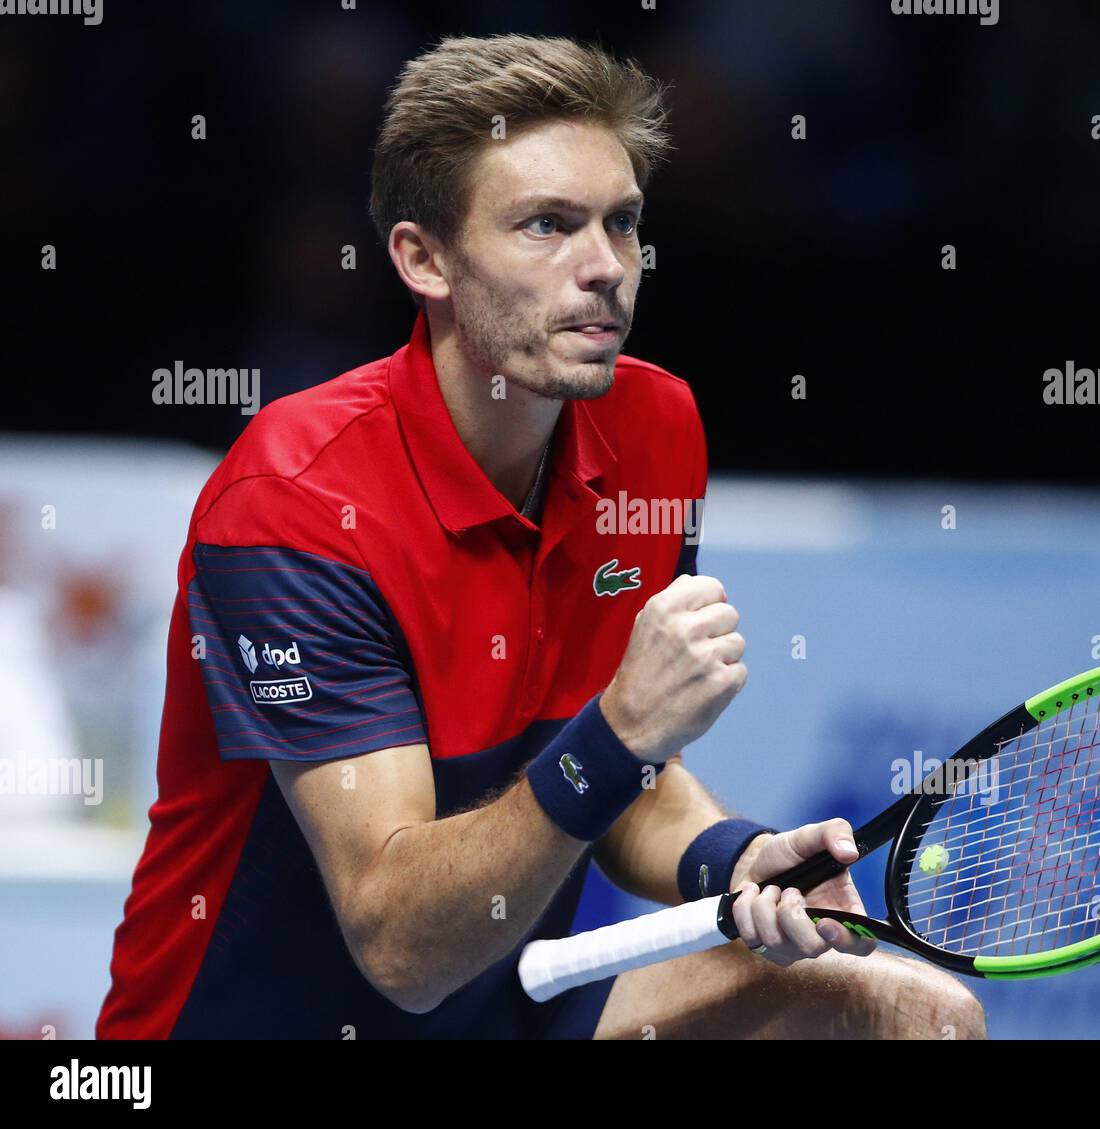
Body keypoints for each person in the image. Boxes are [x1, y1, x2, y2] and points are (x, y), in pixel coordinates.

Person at [97, 34, 985, 1039]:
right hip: (262, 1022)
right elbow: (401, 944)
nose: (603, 267)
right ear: (422, 257)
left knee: (918, 1013)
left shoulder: (655, 431)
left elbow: (617, 777)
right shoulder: (296, 502)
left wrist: (732, 858)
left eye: (622, 224)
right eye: (547, 227)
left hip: (503, 1013)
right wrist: (618, 733)